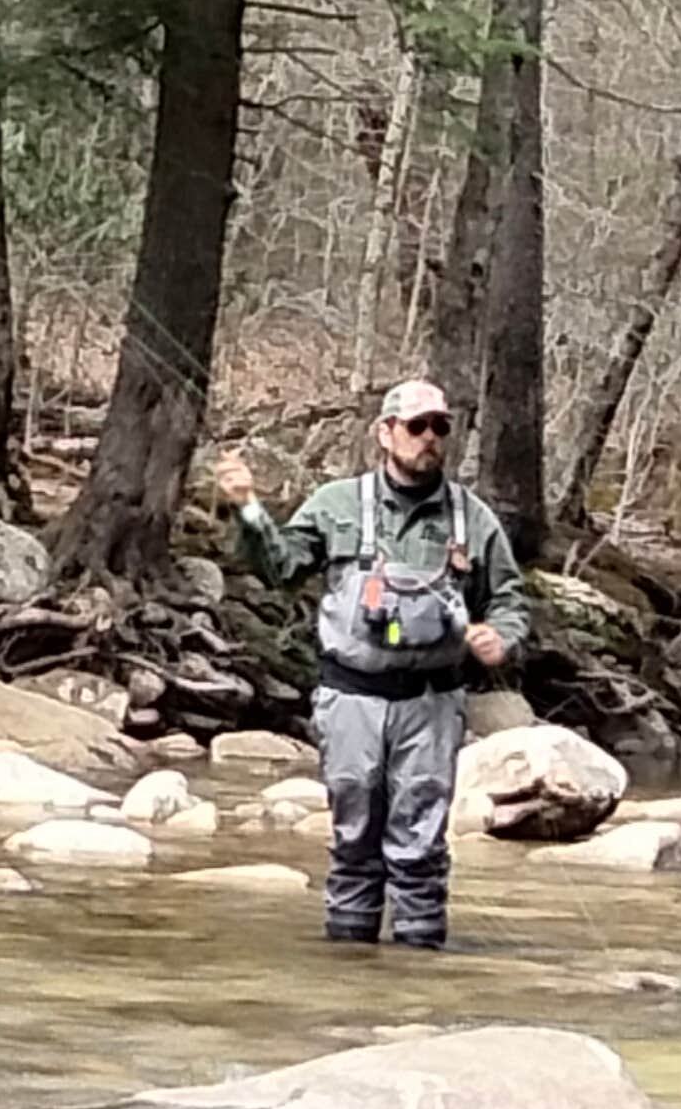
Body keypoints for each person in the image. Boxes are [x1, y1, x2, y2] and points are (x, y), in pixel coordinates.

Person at [212, 378, 529, 950]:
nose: (430, 438)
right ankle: (351, 979)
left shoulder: (472, 518)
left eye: (440, 427)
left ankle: (414, 981)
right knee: (353, 842)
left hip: (433, 702)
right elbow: (280, 569)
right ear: (385, 434)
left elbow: (508, 598)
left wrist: (500, 638)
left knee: (421, 848)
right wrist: (248, 510)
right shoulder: (336, 504)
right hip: (350, 698)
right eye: (416, 426)